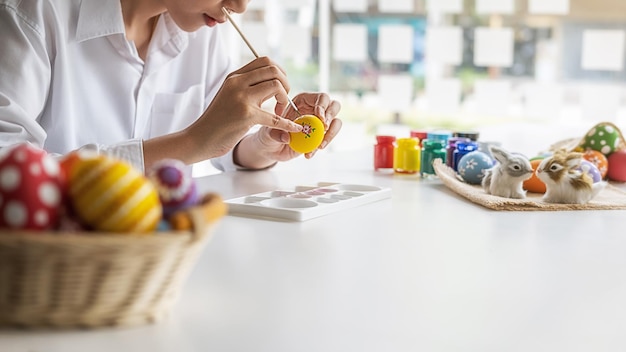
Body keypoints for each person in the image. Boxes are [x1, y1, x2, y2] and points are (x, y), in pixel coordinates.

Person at [0, 0, 342, 173]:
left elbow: (223, 144)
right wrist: (191, 142)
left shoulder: (202, 31)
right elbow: (8, 171)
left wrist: (265, 142)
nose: (239, 6)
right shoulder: (31, 16)